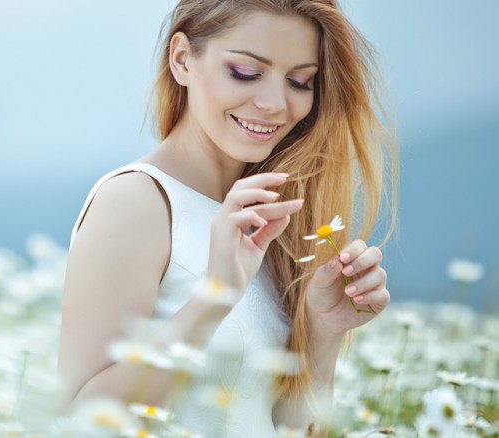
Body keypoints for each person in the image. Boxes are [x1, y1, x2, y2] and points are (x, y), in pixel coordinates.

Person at [57, 0, 397, 435]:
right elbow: (78, 420)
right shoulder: (136, 203)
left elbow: (284, 428)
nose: (275, 103)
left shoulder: (271, 220)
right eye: (245, 72)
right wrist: (214, 298)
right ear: (182, 60)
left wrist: (322, 334)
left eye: (300, 81)